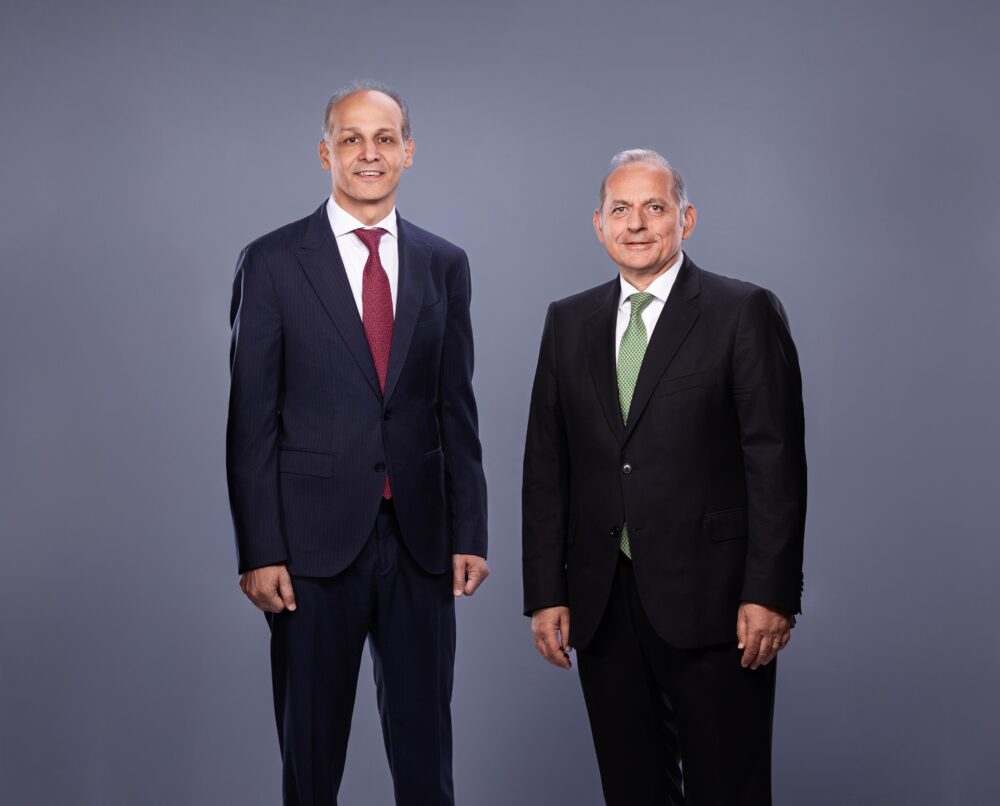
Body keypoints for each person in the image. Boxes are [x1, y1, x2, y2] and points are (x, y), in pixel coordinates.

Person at [226, 81, 488, 806]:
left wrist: (470, 530)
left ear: (408, 151)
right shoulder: (273, 261)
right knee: (311, 762)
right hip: (309, 551)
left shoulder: (444, 263)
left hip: (421, 543)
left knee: (426, 759)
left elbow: (455, 407)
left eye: (384, 139)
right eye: (351, 139)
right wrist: (260, 549)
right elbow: (251, 420)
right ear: (325, 153)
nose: (368, 153)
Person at [522, 149, 806, 805]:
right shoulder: (568, 321)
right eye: (620, 209)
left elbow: (776, 463)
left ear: (687, 218)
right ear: (599, 224)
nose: (637, 224)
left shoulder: (742, 310)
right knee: (632, 789)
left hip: (718, 599)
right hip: (602, 600)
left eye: (654, 207)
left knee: (727, 789)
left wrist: (770, 591)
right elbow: (546, 465)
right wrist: (546, 590)